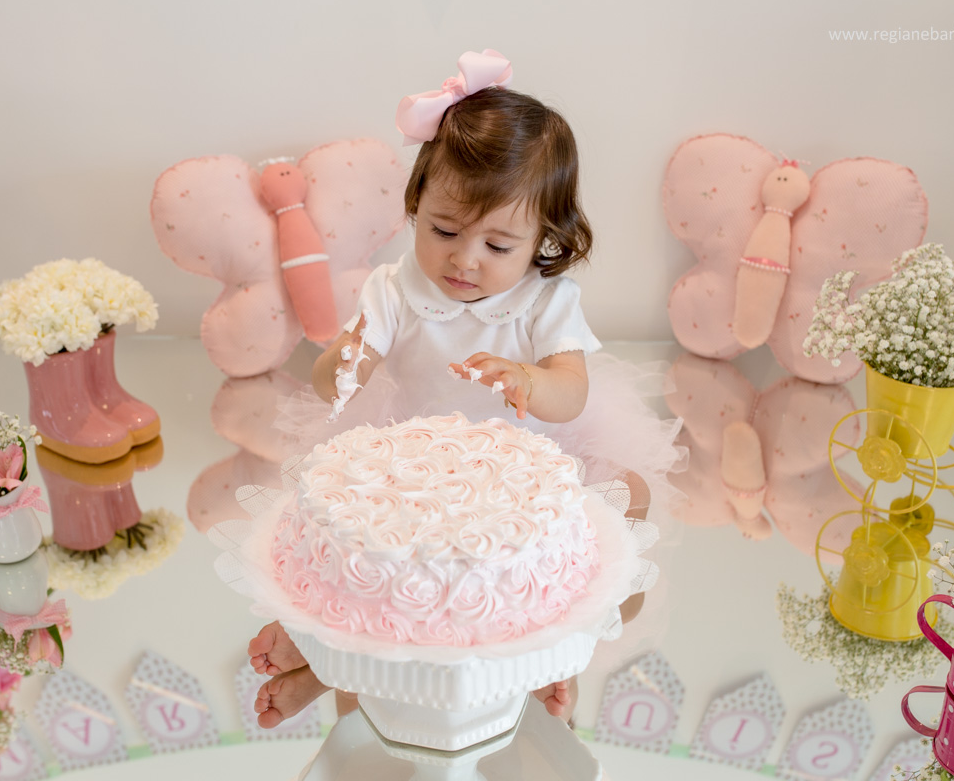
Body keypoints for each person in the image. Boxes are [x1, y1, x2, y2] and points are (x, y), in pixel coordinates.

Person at [249, 50, 685, 729]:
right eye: (444, 230)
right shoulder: (395, 290)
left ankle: (556, 653)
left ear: (544, 238)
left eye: (498, 245)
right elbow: (330, 379)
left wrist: (531, 379)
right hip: (414, 464)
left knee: (627, 501)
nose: (464, 259)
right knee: (375, 560)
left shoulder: (545, 302)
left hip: (529, 463)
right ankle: (324, 662)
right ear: (415, 206)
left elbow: (571, 392)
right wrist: (350, 358)